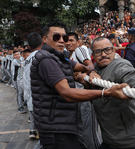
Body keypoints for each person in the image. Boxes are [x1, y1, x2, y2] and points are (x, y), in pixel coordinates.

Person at [30, 21, 129, 149]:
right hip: (55, 127)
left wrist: (91, 72)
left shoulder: (59, 58)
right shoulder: (47, 60)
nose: (62, 41)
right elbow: (67, 93)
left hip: (62, 123)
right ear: (44, 39)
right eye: (56, 37)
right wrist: (106, 92)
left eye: (64, 37)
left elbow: (84, 67)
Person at [77, 37, 135, 149]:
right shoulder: (94, 72)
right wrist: (86, 81)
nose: (103, 54)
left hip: (132, 142)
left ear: (114, 50)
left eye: (107, 50)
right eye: (98, 52)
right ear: (93, 55)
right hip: (109, 140)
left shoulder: (119, 65)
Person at [65, 32, 100, 149]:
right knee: (80, 127)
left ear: (78, 42)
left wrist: (89, 73)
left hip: (85, 96)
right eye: (66, 41)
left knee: (89, 131)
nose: (68, 43)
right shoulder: (69, 56)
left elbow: (89, 65)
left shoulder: (79, 50)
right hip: (77, 97)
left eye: (71, 40)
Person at [24, 32, 43, 139]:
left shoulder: (27, 59)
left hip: (30, 97)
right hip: (40, 99)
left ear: (29, 47)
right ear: (43, 41)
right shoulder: (42, 56)